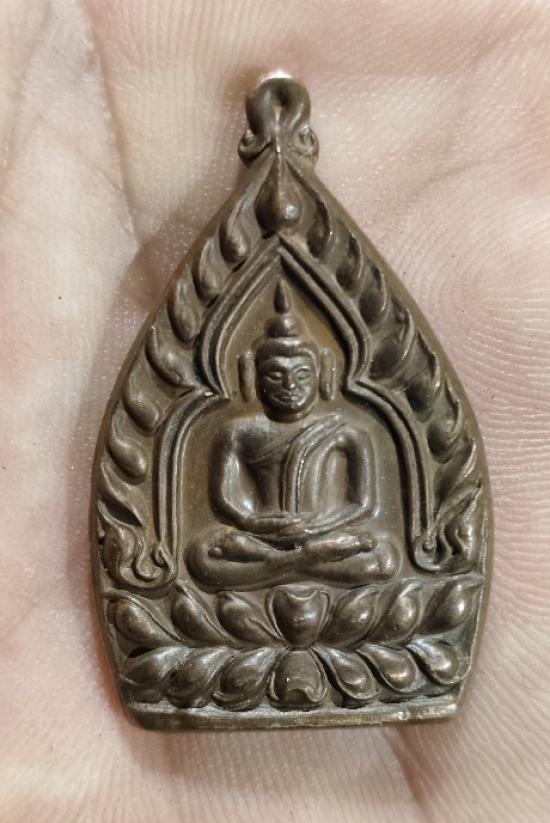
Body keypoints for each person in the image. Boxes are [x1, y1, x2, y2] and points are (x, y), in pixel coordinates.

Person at [186, 281, 399, 588]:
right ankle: (302, 564)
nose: (289, 387)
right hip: (263, 537)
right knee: (199, 554)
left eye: (301, 375)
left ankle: (275, 566)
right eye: (275, 375)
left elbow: (362, 505)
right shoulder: (238, 431)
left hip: (324, 534)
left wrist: (316, 528)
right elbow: (224, 499)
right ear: (255, 378)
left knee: (384, 556)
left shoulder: (348, 432)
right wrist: (252, 521)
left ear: (321, 376)